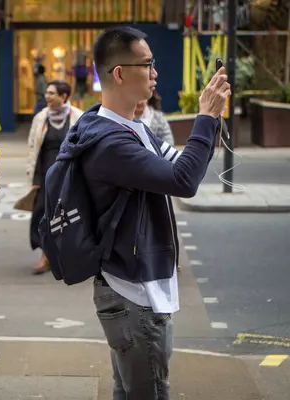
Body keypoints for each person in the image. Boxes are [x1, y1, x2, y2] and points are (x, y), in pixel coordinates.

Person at [57, 26, 229, 399]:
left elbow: (182, 168)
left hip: (131, 287)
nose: (155, 73)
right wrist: (204, 118)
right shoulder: (112, 143)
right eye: (147, 64)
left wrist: (210, 119)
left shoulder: (129, 126)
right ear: (119, 73)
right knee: (147, 392)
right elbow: (184, 182)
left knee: (130, 390)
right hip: (135, 295)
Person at [26, 80, 83, 274]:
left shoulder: (78, 117)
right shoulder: (40, 118)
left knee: (68, 217)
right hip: (45, 178)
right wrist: (33, 179)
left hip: (69, 178)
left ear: (64, 96)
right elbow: (33, 149)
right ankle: (45, 255)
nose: (47, 96)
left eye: (52, 93)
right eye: (47, 93)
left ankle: (63, 257)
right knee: (41, 216)